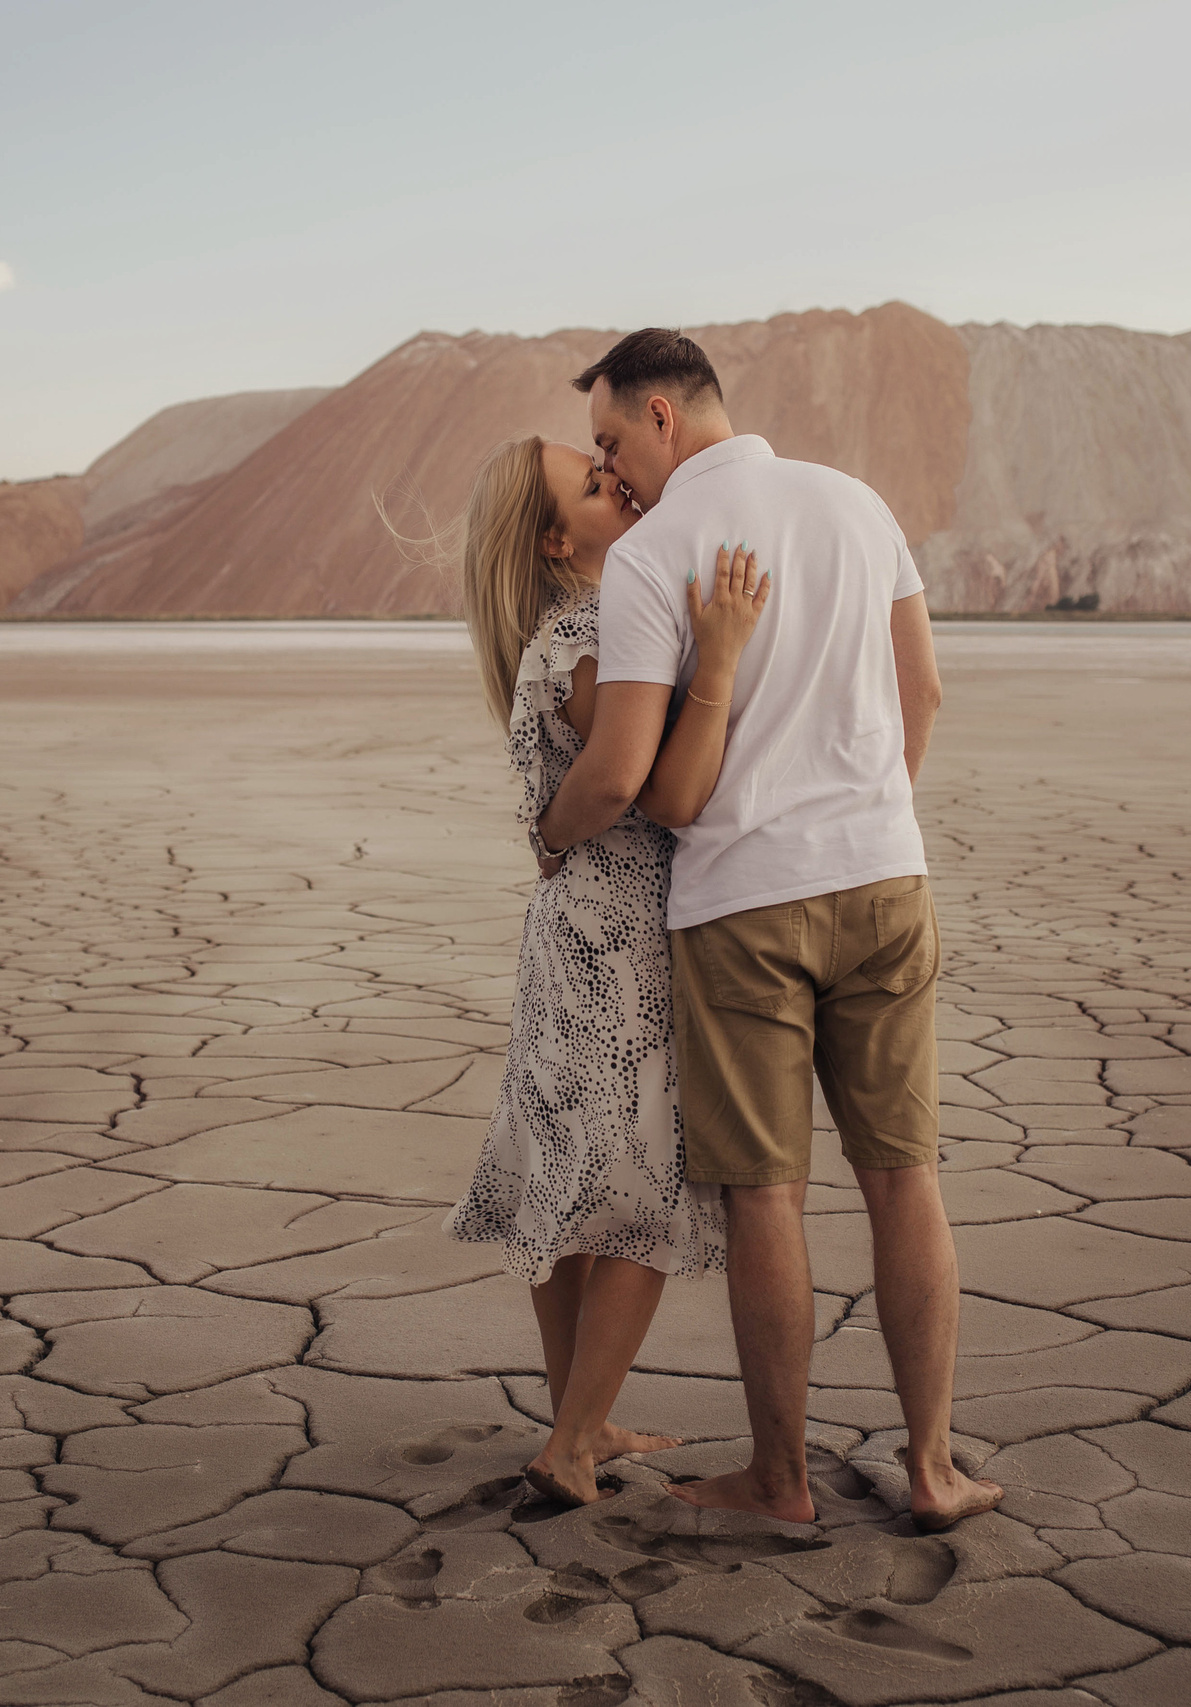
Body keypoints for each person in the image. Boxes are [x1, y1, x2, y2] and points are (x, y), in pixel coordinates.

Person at [532, 329, 1004, 1531]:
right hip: (884, 879)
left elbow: (641, 783)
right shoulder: (856, 503)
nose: (610, 469)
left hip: (742, 905)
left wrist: (556, 829)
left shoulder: (655, 557)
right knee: (904, 1179)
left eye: (609, 441)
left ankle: (780, 1481)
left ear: (661, 416)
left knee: (766, 1202)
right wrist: (868, 813)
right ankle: (935, 1469)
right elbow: (924, 689)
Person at [443, 432, 770, 1507]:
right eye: (592, 486)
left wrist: (548, 833)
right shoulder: (593, 632)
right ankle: (575, 1442)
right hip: (620, 942)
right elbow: (639, 783)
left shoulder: (554, 633)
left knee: (566, 1176)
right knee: (641, 1187)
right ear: (553, 539)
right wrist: (720, 659)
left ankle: (575, 1416)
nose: (618, 484)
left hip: (571, 930)